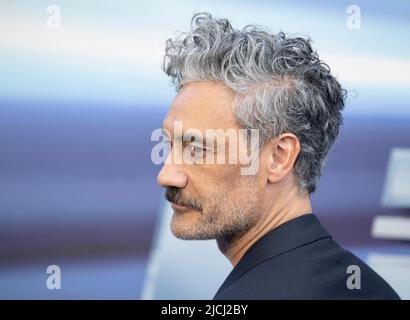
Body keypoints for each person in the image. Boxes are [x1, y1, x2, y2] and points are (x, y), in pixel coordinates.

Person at [156, 12, 400, 299]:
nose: (166, 175)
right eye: (169, 144)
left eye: (197, 148)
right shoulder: (369, 289)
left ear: (279, 157)